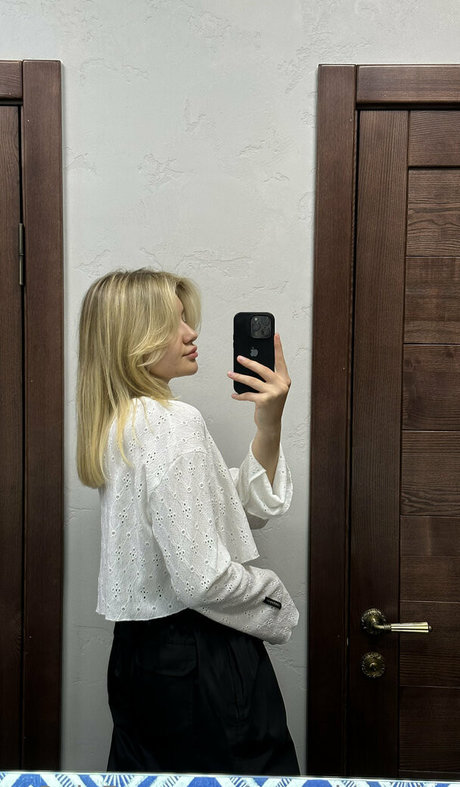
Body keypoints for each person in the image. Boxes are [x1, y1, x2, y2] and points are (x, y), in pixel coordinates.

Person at [76, 268, 299, 775]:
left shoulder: (121, 423)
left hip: (139, 658)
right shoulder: (172, 422)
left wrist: (269, 423)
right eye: (172, 322)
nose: (191, 332)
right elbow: (203, 580)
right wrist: (276, 600)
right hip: (202, 657)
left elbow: (234, 510)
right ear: (133, 338)